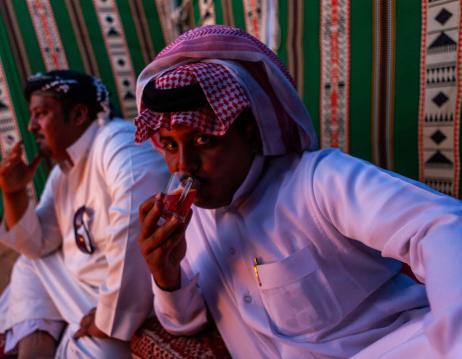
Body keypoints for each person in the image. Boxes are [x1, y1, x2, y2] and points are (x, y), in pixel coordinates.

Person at [134, 25, 462, 358]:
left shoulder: (317, 181)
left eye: (204, 139)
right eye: (171, 145)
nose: (183, 165)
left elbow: (442, 225)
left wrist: (453, 340)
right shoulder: (193, 222)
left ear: (251, 134)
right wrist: (167, 274)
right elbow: (184, 323)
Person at [0, 70, 170, 358]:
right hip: (85, 288)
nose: (30, 126)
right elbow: (37, 246)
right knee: (30, 265)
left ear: (78, 115)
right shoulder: (63, 171)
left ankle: (59, 336)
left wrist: (107, 318)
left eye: (41, 113)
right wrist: (13, 193)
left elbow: (135, 233)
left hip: (132, 297)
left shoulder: (119, 143)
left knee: (100, 353)